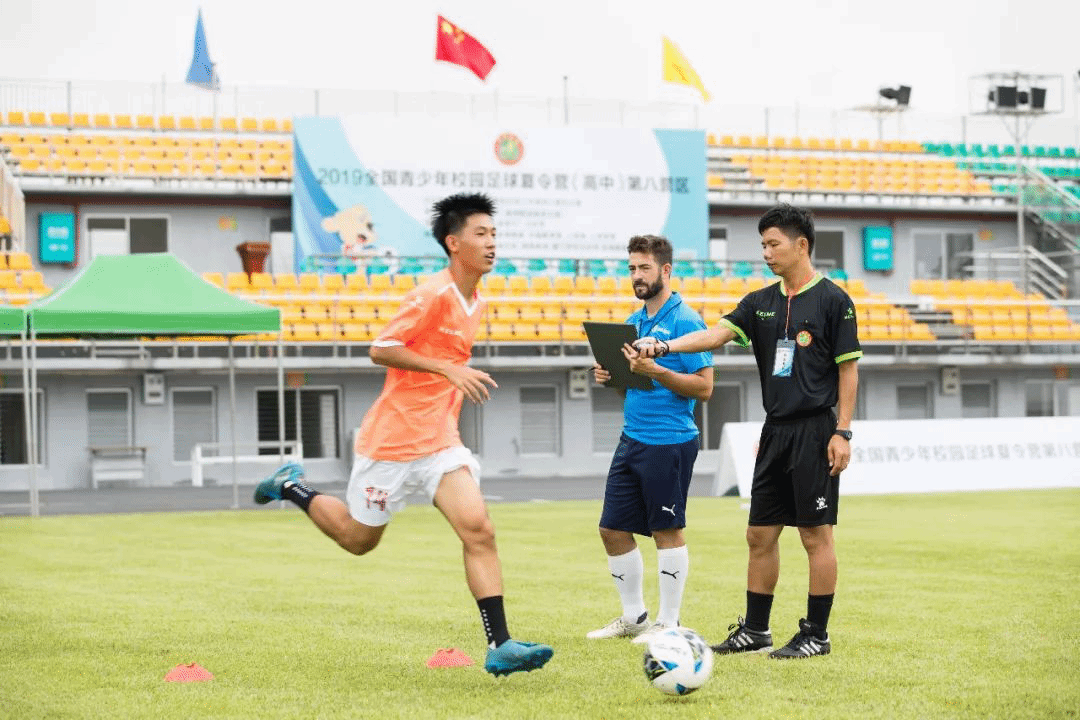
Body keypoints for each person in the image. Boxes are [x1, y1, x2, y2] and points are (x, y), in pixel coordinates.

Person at [254, 193, 553, 677]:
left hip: (439, 441)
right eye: (481, 234)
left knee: (479, 528)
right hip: (391, 443)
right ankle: (290, 486)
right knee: (357, 540)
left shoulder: (476, 300)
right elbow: (382, 348)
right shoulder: (431, 294)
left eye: (494, 234)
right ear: (453, 243)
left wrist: (449, 378)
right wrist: (447, 369)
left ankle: (500, 644)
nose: (491, 243)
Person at [635, 204, 861, 659]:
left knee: (815, 536)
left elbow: (848, 371)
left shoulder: (834, 301)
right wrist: (664, 346)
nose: (766, 253)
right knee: (759, 534)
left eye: (773, 244)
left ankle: (816, 634)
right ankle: (756, 630)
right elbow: (714, 335)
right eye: (762, 245)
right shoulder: (760, 302)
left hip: (816, 431)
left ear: (801, 245)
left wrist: (843, 432)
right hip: (775, 432)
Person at [587, 234, 714, 643]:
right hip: (632, 438)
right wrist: (612, 377)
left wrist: (658, 370)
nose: (637, 275)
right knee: (611, 529)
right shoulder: (633, 322)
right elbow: (633, 388)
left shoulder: (686, 321)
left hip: (670, 440)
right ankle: (634, 617)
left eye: (644, 268)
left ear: (665, 270)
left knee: (666, 531)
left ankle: (669, 621)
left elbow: (705, 388)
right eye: (631, 268)